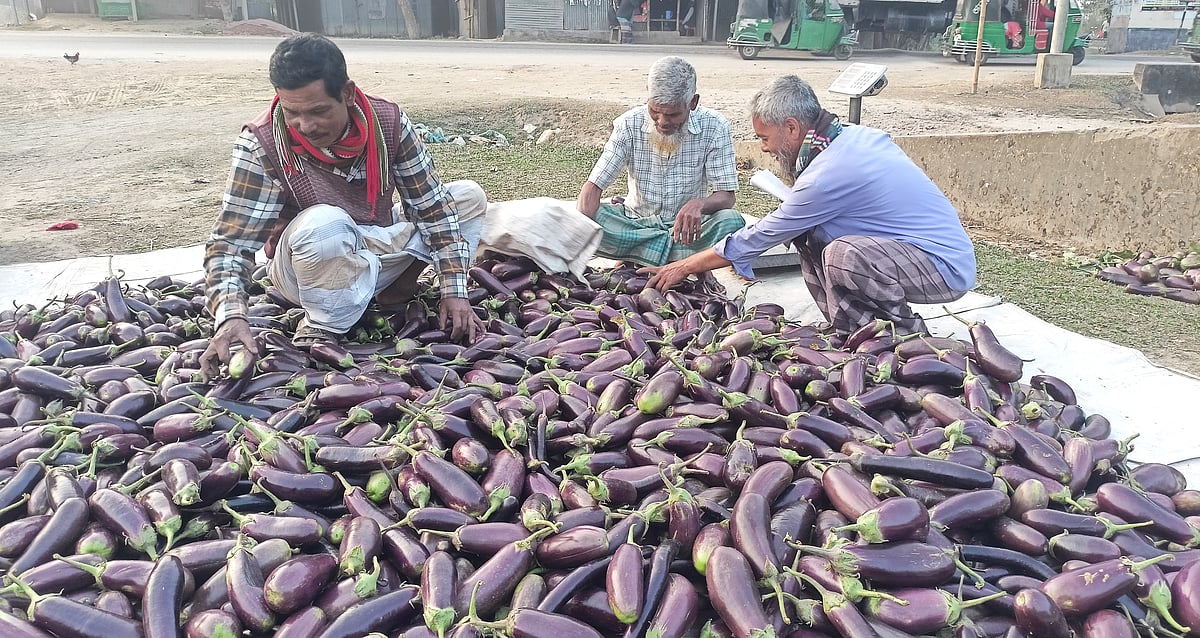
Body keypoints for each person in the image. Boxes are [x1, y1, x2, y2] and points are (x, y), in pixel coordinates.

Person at [200, 33, 487, 377]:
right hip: (306, 267)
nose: (305, 126)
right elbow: (231, 244)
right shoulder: (261, 145)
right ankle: (324, 326)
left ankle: (396, 291)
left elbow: (432, 209)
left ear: (348, 94)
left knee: (467, 198)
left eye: (319, 111)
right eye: (292, 113)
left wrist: (454, 291)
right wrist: (230, 315)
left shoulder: (389, 123)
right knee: (325, 223)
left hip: (370, 245)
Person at [645, 75, 977, 335]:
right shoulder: (841, 140)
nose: (763, 149)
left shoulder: (831, 171)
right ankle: (846, 327)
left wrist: (684, 267)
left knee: (844, 255)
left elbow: (761, 235)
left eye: (764, 138)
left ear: (791, 127)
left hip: (943, 269)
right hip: (905, 253)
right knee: (810, 234)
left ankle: (903, 336)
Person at [576, 56, 746, 276]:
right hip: (636, 225)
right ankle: (683, 262)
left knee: (732, 223)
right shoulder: (628, 124)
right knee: (584, 217)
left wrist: (699, 205)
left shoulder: (715, 127)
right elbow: (593, 187)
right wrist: (580, 229)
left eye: (673, 114)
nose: (663, 122)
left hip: (687, 232)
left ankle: (636, 258)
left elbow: (726, 196)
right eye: (655, 111)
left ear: (693, 103)